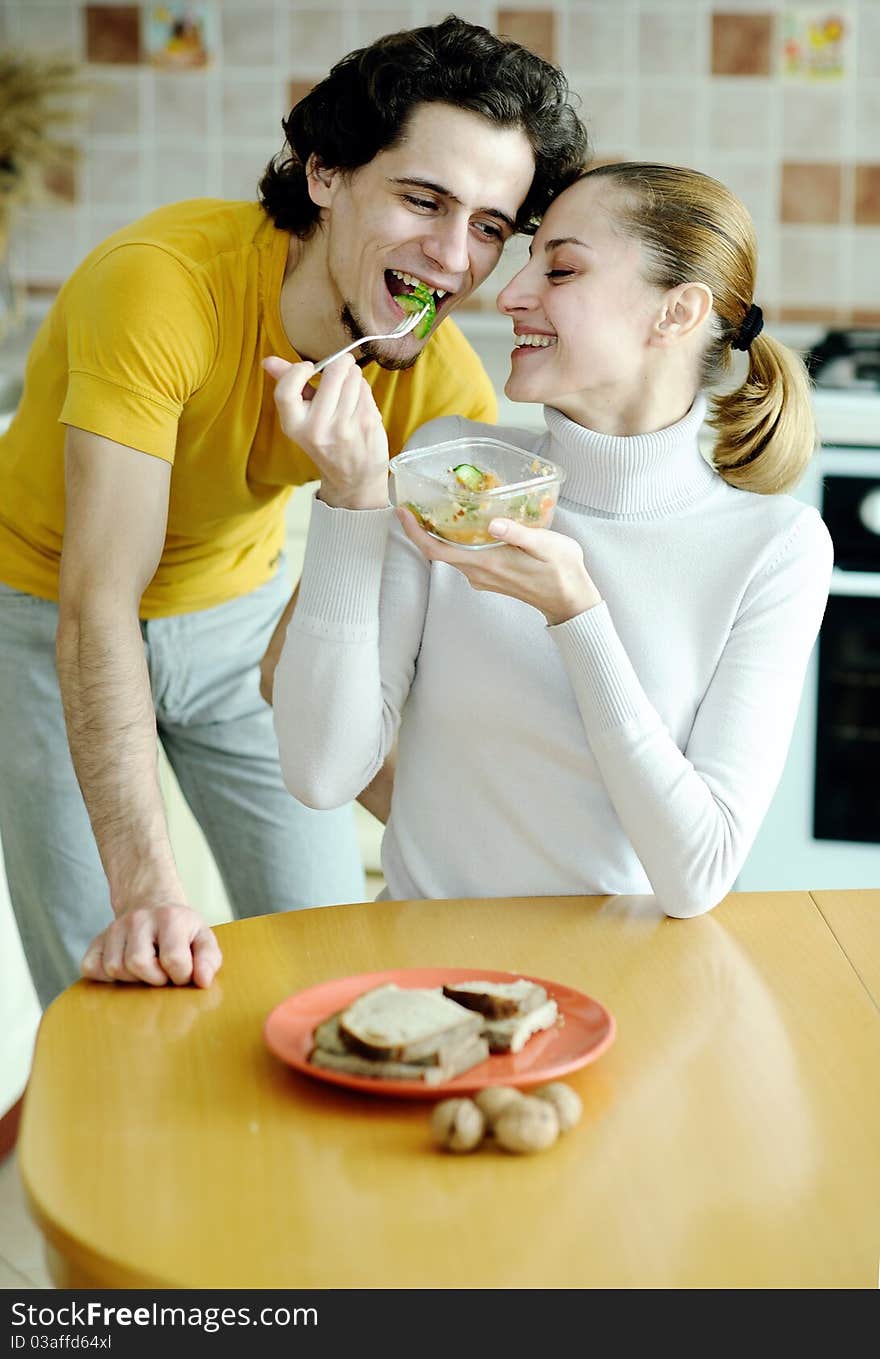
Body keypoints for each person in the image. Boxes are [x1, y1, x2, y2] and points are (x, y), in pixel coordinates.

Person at [0, 16, 589, 1005]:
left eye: (489, 225)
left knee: (331, 965)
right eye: (421, 199)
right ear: (325, 174)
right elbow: (98, 605)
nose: (452, 257)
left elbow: (347, 673)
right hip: (43, 616)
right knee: (113, 990)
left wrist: (508, 870)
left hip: (240, 615)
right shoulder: (162, 288)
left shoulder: (439, 391)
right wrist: (147, 892)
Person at [267, 162, 833, 917]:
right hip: (425, 979)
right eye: (528, 258)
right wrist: (350, 501)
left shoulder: (775, 549)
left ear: (676, 313)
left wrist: (577, 614)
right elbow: (320, 773)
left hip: (625, 996)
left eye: (560, 268)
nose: (508, 293)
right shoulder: (453, 471)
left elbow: (697, 877)